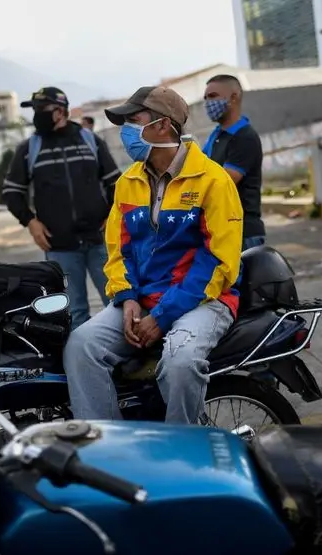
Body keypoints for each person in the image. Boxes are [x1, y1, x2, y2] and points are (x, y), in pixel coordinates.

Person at [63, 86, 243, 424]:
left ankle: (183, 448)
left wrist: (162, 316)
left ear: (163, 125)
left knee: (180, 363)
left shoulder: (213, 181)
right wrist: (127, 297)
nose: (126, 131)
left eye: (133, 120)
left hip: (205, 301)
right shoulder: (127, 182)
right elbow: (119, 250)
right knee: (81, 345)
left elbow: (218, 262)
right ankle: (109, 445)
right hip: (143, 299)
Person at [2, 86, 122, 328]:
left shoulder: (90, 141)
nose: (36, 115)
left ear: (59, 111)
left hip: (100, 242)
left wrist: (112, 216)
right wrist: (30, 221)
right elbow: (11, 192)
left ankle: (123, 351)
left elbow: (116, 184)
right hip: (59, 247)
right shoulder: (29, 148)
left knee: (117, 303)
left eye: (40, 109)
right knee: (73, 314)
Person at [201, 74, 266, 249]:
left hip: (242, 232)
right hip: (221, 230)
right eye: (205, 98)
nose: (208, 103)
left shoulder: (244, 137)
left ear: (234, 97)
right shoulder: (216, 135)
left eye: (213, 96)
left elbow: (224, 182)